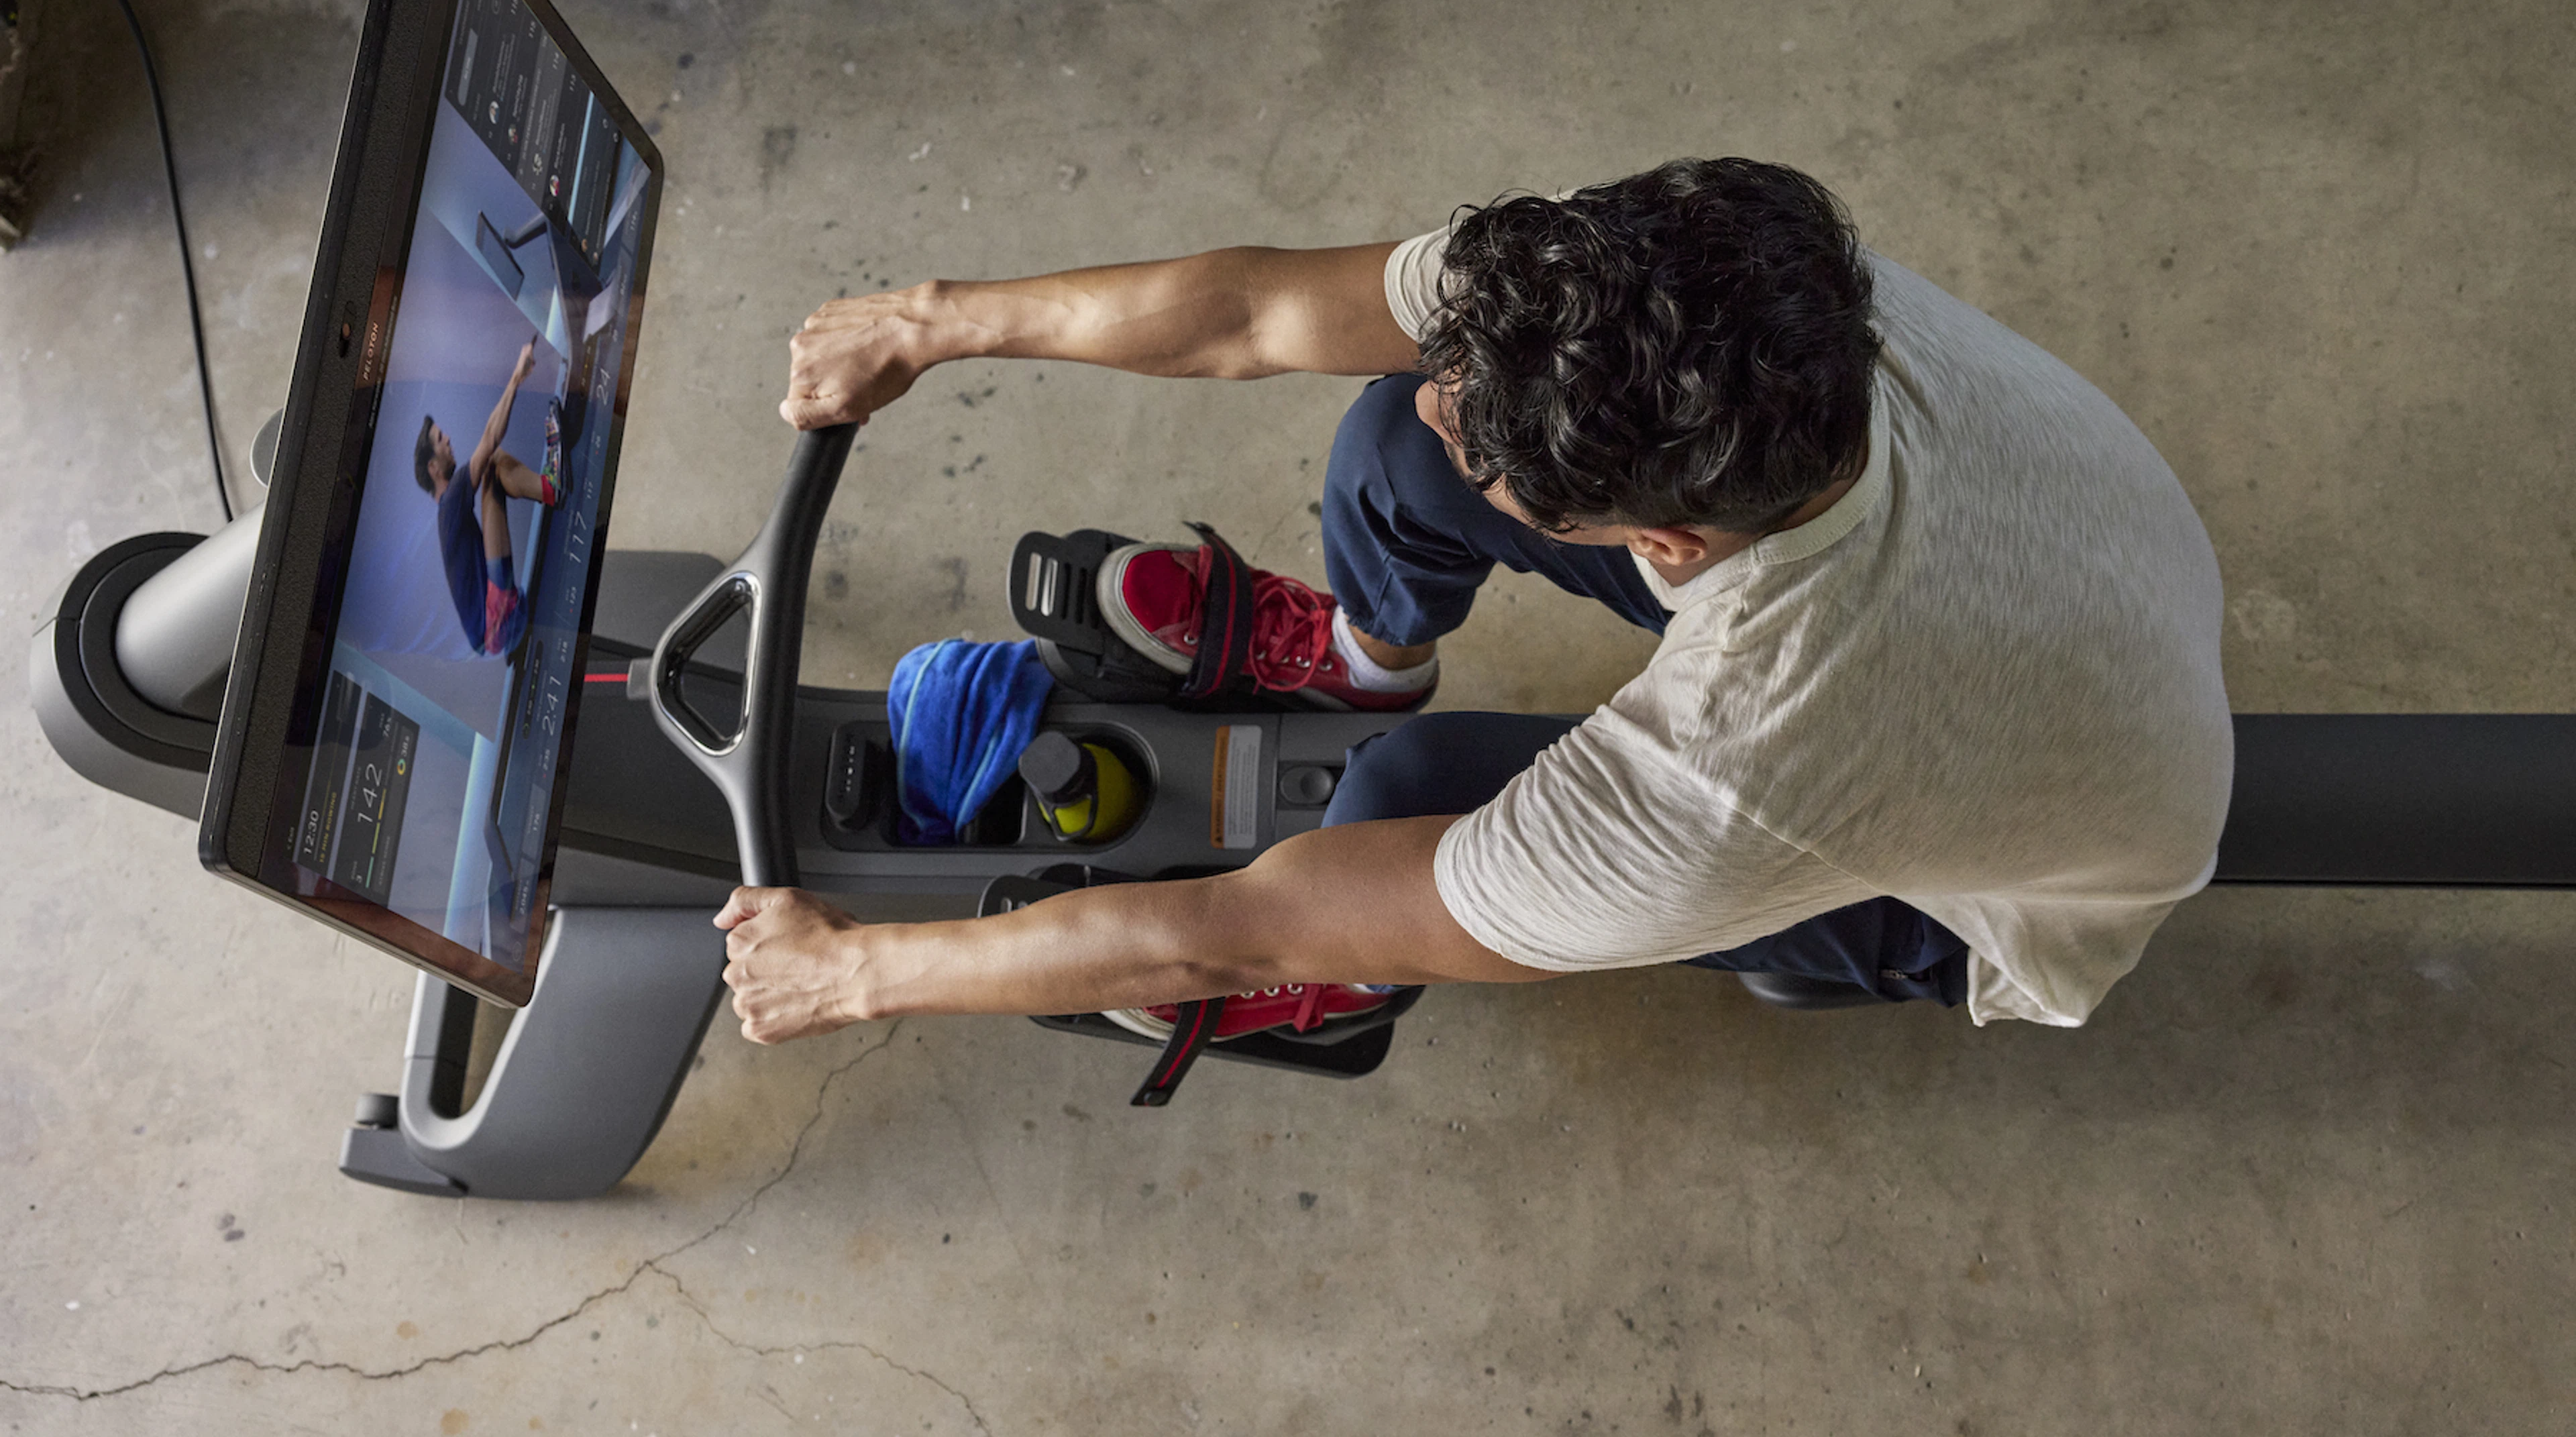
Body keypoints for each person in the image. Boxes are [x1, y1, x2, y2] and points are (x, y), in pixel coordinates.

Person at [714, 158, 2233, 1040]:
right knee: (1391, 441)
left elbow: (1236, 928)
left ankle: (1389, 942)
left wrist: (855, 967)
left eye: (1509, 465)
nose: (1450, 403)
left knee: (1391, 805)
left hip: (1991, 887)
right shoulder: (1696, 274)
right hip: (2058, 558)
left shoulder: (1748, 769)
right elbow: (1252, 311)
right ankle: (1370, 655)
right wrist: (930, 323)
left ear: (1669, 544)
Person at [415, 339, 564, 659]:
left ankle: (551, 487)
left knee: (491, 469)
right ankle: (551, 487)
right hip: (496, 626)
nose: (449, 439)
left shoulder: (448, 511)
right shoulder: (452, 501)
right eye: (441, 440)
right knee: (491, 458)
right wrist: (517, 377)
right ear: (433, 467)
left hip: (494, 630)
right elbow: (490, 437)